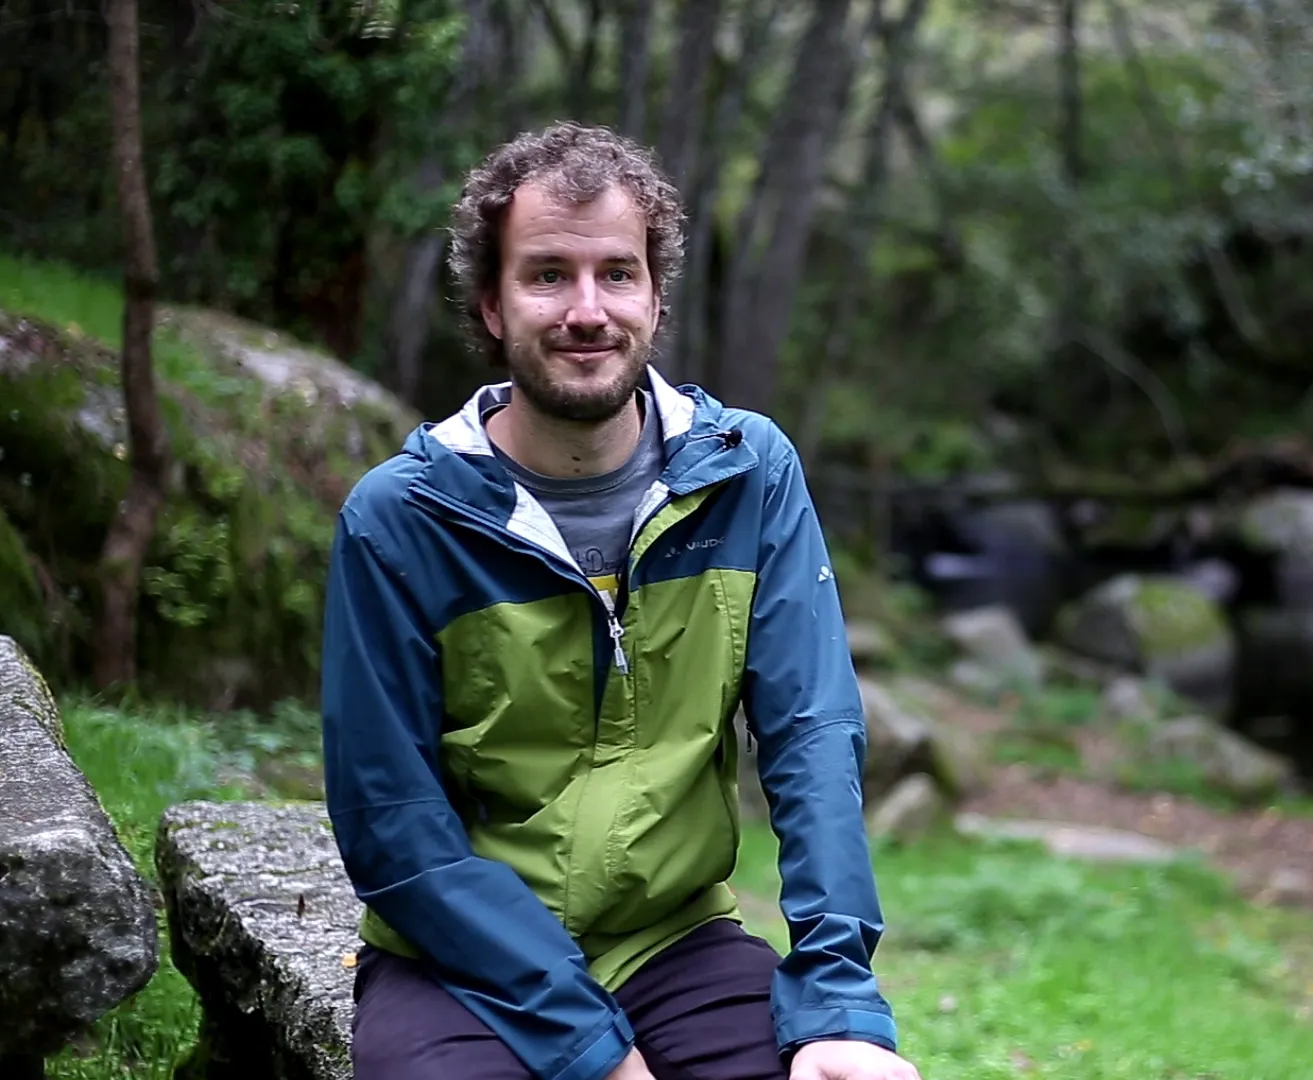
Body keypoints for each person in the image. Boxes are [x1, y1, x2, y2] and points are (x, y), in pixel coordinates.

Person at [319, 121, 919, 1080]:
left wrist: (838, 1002)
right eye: (548, 275)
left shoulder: (747, 474)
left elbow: (812, 735)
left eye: (617, 273)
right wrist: (593, 1052)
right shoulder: (401, 518)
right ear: (491, 304)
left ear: (655, 296)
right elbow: (391, 820)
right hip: (458, 963)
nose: (587, 310)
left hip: (674, 943)